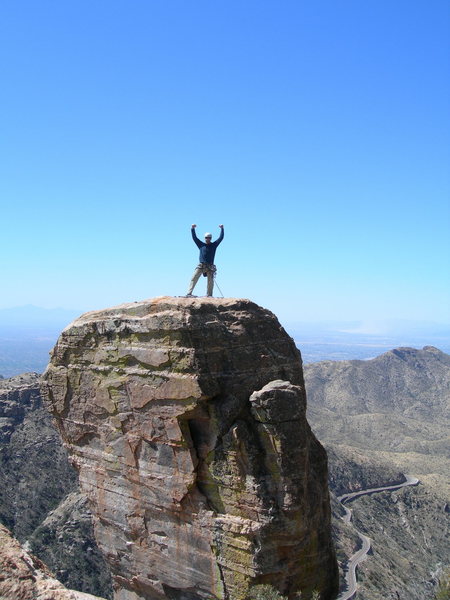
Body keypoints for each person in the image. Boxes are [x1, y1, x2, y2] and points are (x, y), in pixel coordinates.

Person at [186, 224, 224, 297]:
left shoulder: (214, 245)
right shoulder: (201, 245)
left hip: (210, 266)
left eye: (209, 238)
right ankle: (189, 293)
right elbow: (194, 238)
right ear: (205, 238)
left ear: (211, 238)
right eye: (206, 237)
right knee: (194, 277)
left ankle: (209, 295)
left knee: (210, 281)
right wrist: (192, 229)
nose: (208, 239)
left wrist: (222, 229)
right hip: (201, 265)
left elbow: (221, 238)